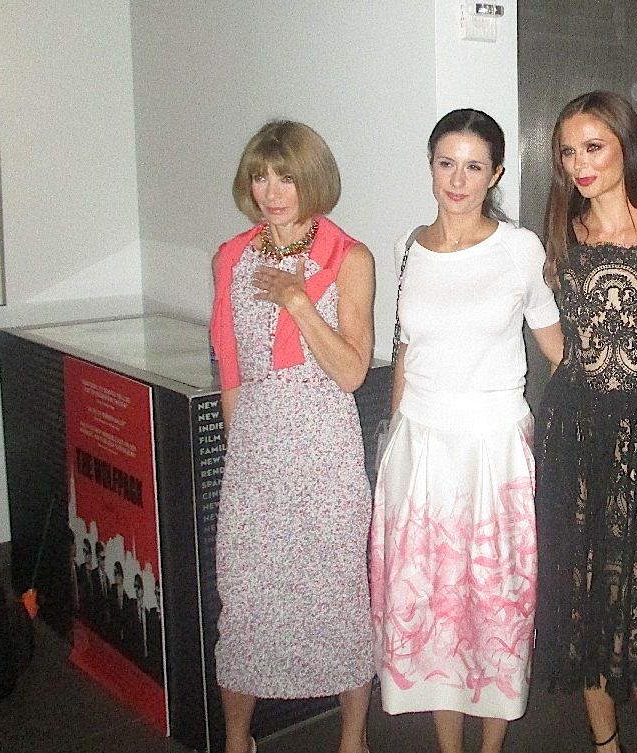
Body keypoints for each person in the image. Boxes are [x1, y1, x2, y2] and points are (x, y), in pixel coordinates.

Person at [369, 108, 562, 753]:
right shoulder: (408, 247)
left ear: (496, 173)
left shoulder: (519, 249)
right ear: (430, 166)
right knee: (432, 610)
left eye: (473, 166)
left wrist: (624, 387)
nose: (457, 180)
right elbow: (405, 348)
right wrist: (393, 440)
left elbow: (557, 348)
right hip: (420, 447)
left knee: (495, 605)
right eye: (446, 163)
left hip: (493, 449)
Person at [534, 91, 637, 753]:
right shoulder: (559, 239)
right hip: (573, 437)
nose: (579, 163)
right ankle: (604, 744)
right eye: (568, 152)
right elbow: (561, 344)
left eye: (593, 147)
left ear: (626, 148)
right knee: (584, 598)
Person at [209, 119, 376, 753]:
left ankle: (352, 738)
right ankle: (237, 740)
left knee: (338, 595)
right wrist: (239, 456)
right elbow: (230, 367)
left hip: (325, 449)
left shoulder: (348, 257)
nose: (272, 192)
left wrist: (299, 302)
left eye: (286, 177)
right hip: (255, 452)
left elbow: (352, 372)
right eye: (261, 177)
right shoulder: (231, 257)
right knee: (244, 597)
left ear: (313, 180)